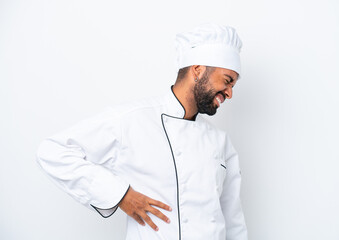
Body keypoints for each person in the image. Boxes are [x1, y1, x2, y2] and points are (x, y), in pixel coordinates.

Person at [36, 23, 248, 240]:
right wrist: (120, 195)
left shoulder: (220, 142)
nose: (230, 93)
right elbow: (53, 151)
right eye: (227, 80)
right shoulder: (133, 120)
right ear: (198, 70)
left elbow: (232, 219)